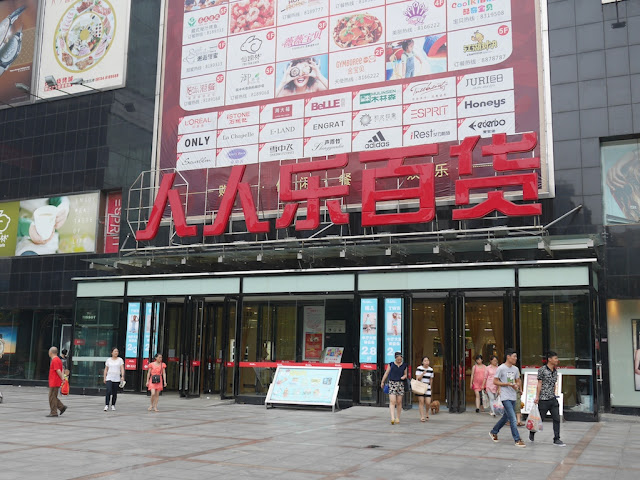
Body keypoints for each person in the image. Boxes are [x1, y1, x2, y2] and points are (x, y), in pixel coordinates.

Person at [489, 349, 526, 447]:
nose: (516, 358)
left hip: (513, 395)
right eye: (514, 356)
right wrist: (506, 384)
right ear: (508, 357)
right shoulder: (501, 368)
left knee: (506, 417)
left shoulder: (515, 369)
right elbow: (495, 381)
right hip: (505, 396)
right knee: (513, 418)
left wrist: (518, 387)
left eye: (516, 356)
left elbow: (518, 380)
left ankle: (494, 431)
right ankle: (517, 439)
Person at [531, 351, 565, 446]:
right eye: (555, 358)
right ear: (549, 359)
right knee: (540, 419)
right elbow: (539, 384)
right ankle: (532, 432)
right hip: (543, 399)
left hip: (552, 399)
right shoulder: (542, 370)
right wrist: (537, 397)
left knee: (556, 419)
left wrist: (554, 394)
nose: (557, 360)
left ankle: (557, 438)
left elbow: (554, 384)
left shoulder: (555, 371)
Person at [380, 352, 408, 424]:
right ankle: (392, 417)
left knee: (399, 402)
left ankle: (398, 417)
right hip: (392, 383)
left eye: (400, 359)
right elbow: (386, 373)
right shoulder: (391, 364)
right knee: (392, 401)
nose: (399, 361)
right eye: (398, 359)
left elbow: (406, 374)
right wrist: (382, 381)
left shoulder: (404, 365)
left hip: (400, 384)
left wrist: (404, 377)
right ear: (395, 358)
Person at [47, 347, 67, 417]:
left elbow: (58, 370)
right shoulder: (58, 360)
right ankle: (61, 407)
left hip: (54, 381)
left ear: (51, 352)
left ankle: (54, 412)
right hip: (56, 381)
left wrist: (62, 378)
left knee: (51, 397)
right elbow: (62, 369)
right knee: (53, 396)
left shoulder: (55, 360)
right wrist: (63, 378)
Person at [104, 347, 125, 412]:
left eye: (117, 351)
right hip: (109, 377)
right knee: (108, 390)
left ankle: (113, 405)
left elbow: (122, 368)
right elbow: (106, 369)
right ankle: (106, 405)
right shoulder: (108, 360)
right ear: (112, 352)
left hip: (116, 378)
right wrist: (104, 377)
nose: (116, 353)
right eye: (115, 351)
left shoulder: (120, 360)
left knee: (114, 393)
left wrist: (122, 376)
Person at [415, 356, 434, 422]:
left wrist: (431, 387)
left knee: (428, 402)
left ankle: (426, 412)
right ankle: (422, 416)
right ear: (422, 362)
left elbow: (431, 379)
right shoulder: (419, 368)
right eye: (425, 361)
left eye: (428, 361)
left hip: (427, 387)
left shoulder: (431, 370)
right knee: (421, 402)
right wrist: (423, 373)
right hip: (420, 386)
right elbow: (418, 378)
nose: (426, 362)